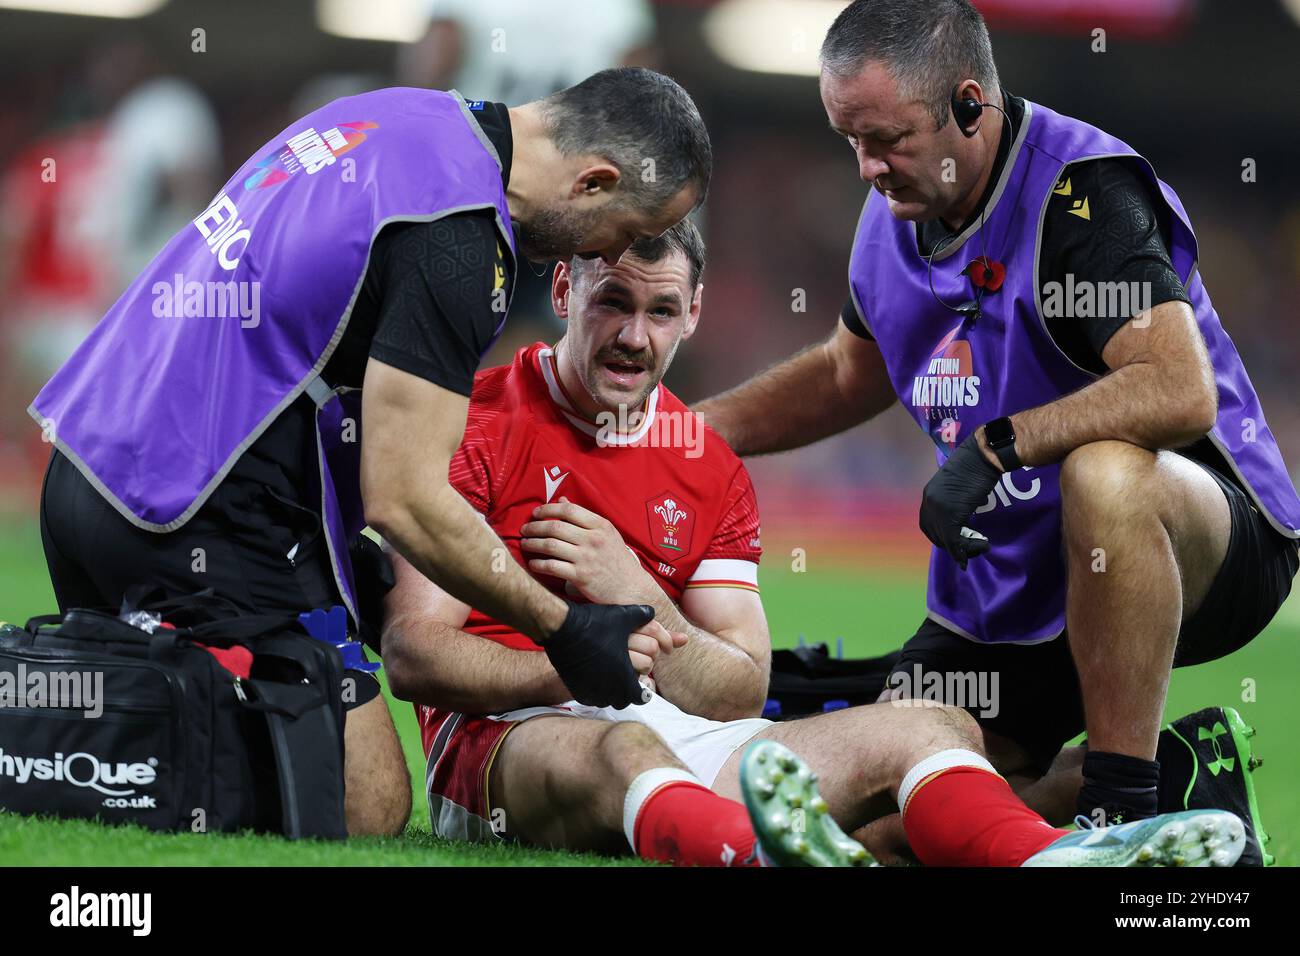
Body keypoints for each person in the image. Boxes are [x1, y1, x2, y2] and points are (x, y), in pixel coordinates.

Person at [381, 219, 1245, 868]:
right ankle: (764, 853)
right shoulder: (472, 421)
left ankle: (1048, 858)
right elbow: (414, 653)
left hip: (671, 726)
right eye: (611, 301)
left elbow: (740, 684)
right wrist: (569, 662)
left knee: (933, 724)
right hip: (505, 745)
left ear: (694, 315)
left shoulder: (704, 460)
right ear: (563, 289)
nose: (635, 337)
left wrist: (633, 587)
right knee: (622, 747)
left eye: (661, 310)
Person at [691, 0, 1297, 865]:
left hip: (1203, 532)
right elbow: (840, 375)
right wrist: (689, 429)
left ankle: (1116, 806)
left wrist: (998, 446)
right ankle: (1178, 783)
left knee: (1105, 474)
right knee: (898, 797)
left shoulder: (1080, 196)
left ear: (970, 107)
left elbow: (1178, 388)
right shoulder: (892, 213)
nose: (866, 168)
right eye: (849, 141)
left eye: (888, 140)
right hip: (1021, 580)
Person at [30, 68, 711, 836]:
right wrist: (565, 629)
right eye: (624, 230)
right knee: (367, 805)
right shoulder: (459, 235)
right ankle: (34, 742)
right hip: (188, 505)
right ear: (595, 181)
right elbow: (408, 496)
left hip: (85, 462)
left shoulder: (399, 117)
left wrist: (336, 546)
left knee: (157, 715)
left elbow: (289, 334)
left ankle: (69, 729)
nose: (611, 249)